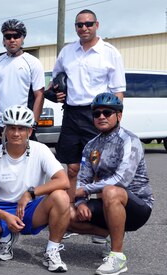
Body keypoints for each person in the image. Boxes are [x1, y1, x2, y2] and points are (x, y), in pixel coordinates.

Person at [0, 105, 70, 272]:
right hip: (2, 208)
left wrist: (30, 193)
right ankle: (7, 234)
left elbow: (63, 181)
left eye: (21, 128)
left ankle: (52, 251)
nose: (16, 133)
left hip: (31, 208)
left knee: (61, 197)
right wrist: (6, 217)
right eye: (11, 128)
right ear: (4, 130)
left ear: (29, 131)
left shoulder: (40, 150)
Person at [68, 93, 154, 275]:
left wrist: (85, 190)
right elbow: (83, 178)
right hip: (108, 204)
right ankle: (111, 236)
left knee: (110, 191)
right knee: (66, 215)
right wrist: (81, 202)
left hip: (137, 205)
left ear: (119, 116)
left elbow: (121, 179)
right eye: (96, 113)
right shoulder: (91, 145)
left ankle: (117, 256)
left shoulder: (130, 140)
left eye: (107, 112)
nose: (101, 116)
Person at [51, 9, 126, 203]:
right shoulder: (67, 51)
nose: (84, 28)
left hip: (97, 114)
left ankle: (101, 216)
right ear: (76, 27)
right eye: (79, 25)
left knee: (100, 168)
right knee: (72, 168)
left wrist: (115, 120)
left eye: (88, 24)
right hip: (71, 115)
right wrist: (54, 92)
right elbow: (56, 79)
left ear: (96, 25)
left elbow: (118, 91)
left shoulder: (110, 52)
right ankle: (69, 213)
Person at [0, 19, 45, 147]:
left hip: (25, 124)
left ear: (23, 39)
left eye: (16, 36)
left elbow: (39, 95)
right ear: (3, 40)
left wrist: (34, 123)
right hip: (2, 126)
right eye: (8, 36)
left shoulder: (33, 62)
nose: (12, 40)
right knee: (0, 165)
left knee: (27, 165)